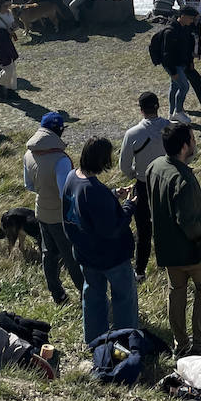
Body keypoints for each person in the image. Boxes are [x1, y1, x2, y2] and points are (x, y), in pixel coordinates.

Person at [144, 123, 201, 358]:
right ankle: (199, 345)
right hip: (191, 251)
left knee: (176, 292)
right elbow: (187, 221)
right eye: (193, 139)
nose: (195, 143)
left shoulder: (154, 167)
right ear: (185, 146)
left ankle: (180, 344)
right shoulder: (183, 179)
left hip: (167, 250)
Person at [63, 137, 139, 344]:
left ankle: (95, 341)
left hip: (85, 253)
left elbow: (82, 208)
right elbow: (113, 228)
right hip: (111, 257)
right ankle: (126, 341)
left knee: (93, 297)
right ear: (101, 159)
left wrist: (113, 193)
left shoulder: (73, 177)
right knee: (124, 299)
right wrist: (129, 205)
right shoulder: (94, 190)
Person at [22, 111, 83, 304]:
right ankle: (86, 294)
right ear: (59, 131)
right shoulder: (61, 160)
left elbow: (29, 185)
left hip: (41, 211)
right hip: (60, 217)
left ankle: (57, 294)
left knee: (48, 254)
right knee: (71, 257)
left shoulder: (28, 154)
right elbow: (64, 194)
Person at [120, 92, 168, 282]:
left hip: (142, 184)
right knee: (166, 225)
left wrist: (135, 175)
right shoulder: (171, 127)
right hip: (167, 182)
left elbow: (124, 166)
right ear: (158, 106)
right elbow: (189, 153)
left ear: (140, 109)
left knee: (143, 230)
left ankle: (140, 271)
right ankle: (168, 262)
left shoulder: (132, 133)